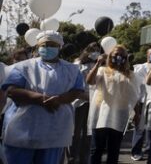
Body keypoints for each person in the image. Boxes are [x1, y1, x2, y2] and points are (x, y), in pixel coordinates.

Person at [1, 31, 84, 164]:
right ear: (38, 46)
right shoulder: (24, 67)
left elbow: (77, 91)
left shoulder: (72, 70)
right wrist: (39, 98)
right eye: (43, 45)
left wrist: (60, 99)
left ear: (59, 47)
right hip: (23, 130)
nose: (47, 48)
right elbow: (11, 91)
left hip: (54, 132)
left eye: (51, 45)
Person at [86, 45, 139, 164]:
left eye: (122, 55)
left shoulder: (130, 74)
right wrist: (98, 63)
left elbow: (134, 96)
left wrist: (137, 113)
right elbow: (89, 81)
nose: (119, 57)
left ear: (126, 58)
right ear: (110, 56)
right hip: (101, 115)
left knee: (113, 150)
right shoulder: (102, 70)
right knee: (96, 149)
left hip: (120, 115)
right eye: (116, 55)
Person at [68, 42, 101, 164]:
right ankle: (72, 158)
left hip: (93, 104)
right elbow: (71, 85)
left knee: (88, 134)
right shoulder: (77, 64)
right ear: (86, 50)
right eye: (93, 49)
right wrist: (85, 96)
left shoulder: (100, 66)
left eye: (98, 49)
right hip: (79, 103)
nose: (96, 52)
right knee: (75, 134)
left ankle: (84, 159)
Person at [131, 47, 151, 161]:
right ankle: (136, 151)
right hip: (143, 101)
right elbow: (138, 87)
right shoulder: (140, 68)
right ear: (147, 55)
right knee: (140, 128)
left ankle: (149, 148)